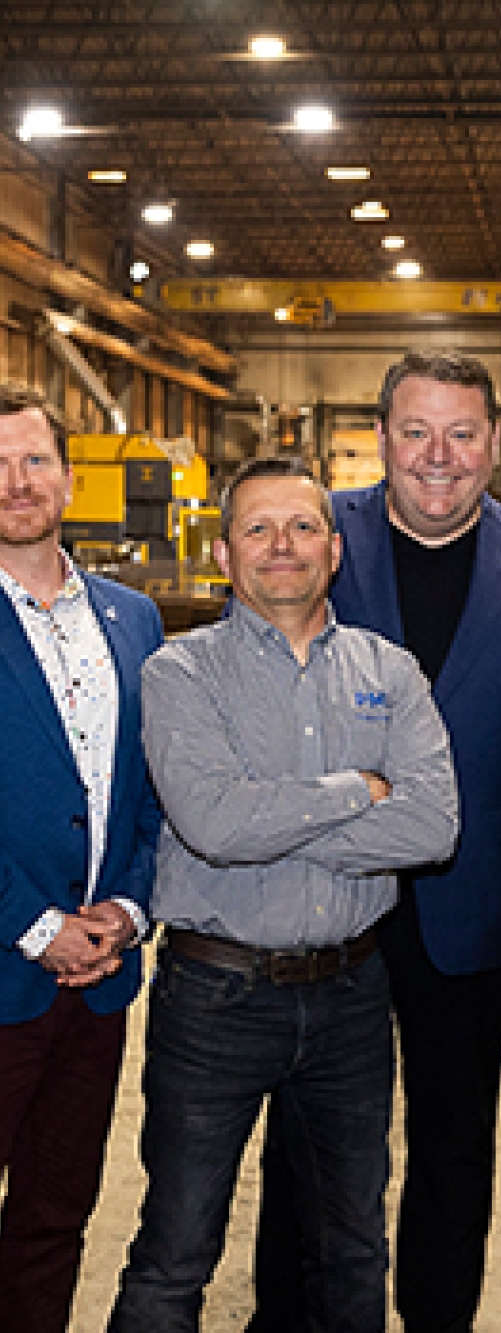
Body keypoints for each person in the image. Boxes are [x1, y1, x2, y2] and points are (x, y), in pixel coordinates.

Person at [249, 352, 501, 1333]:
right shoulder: (320, 534)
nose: (438, 456)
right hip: (327, 901)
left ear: (495, 442)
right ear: (380, 437)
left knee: (454, 1145)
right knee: (311, 1143)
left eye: (462, 432)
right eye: (415, 431)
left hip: (472, 910)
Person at [106, 457, 458, 1333]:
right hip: (215, 1000)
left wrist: (275, 811)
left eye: (302, 527)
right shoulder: (179, 673)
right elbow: (213, 823)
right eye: (258, 529)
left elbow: (433, 827)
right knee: (176, 1251)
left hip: (350, 1000)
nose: (282, 546)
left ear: (334, 550)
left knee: (351, 1250)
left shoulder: (390, 668)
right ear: (226, 553)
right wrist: (357, 789)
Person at [0, 391, 163, 1333]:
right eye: (1, 464)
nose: (19, 483)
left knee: (55, 1217)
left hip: (97, 983)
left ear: (68, 474)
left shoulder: (132, 617)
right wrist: (36, 926)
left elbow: (149, 786)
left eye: (36, 461)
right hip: (5, 968)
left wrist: (128, 911)